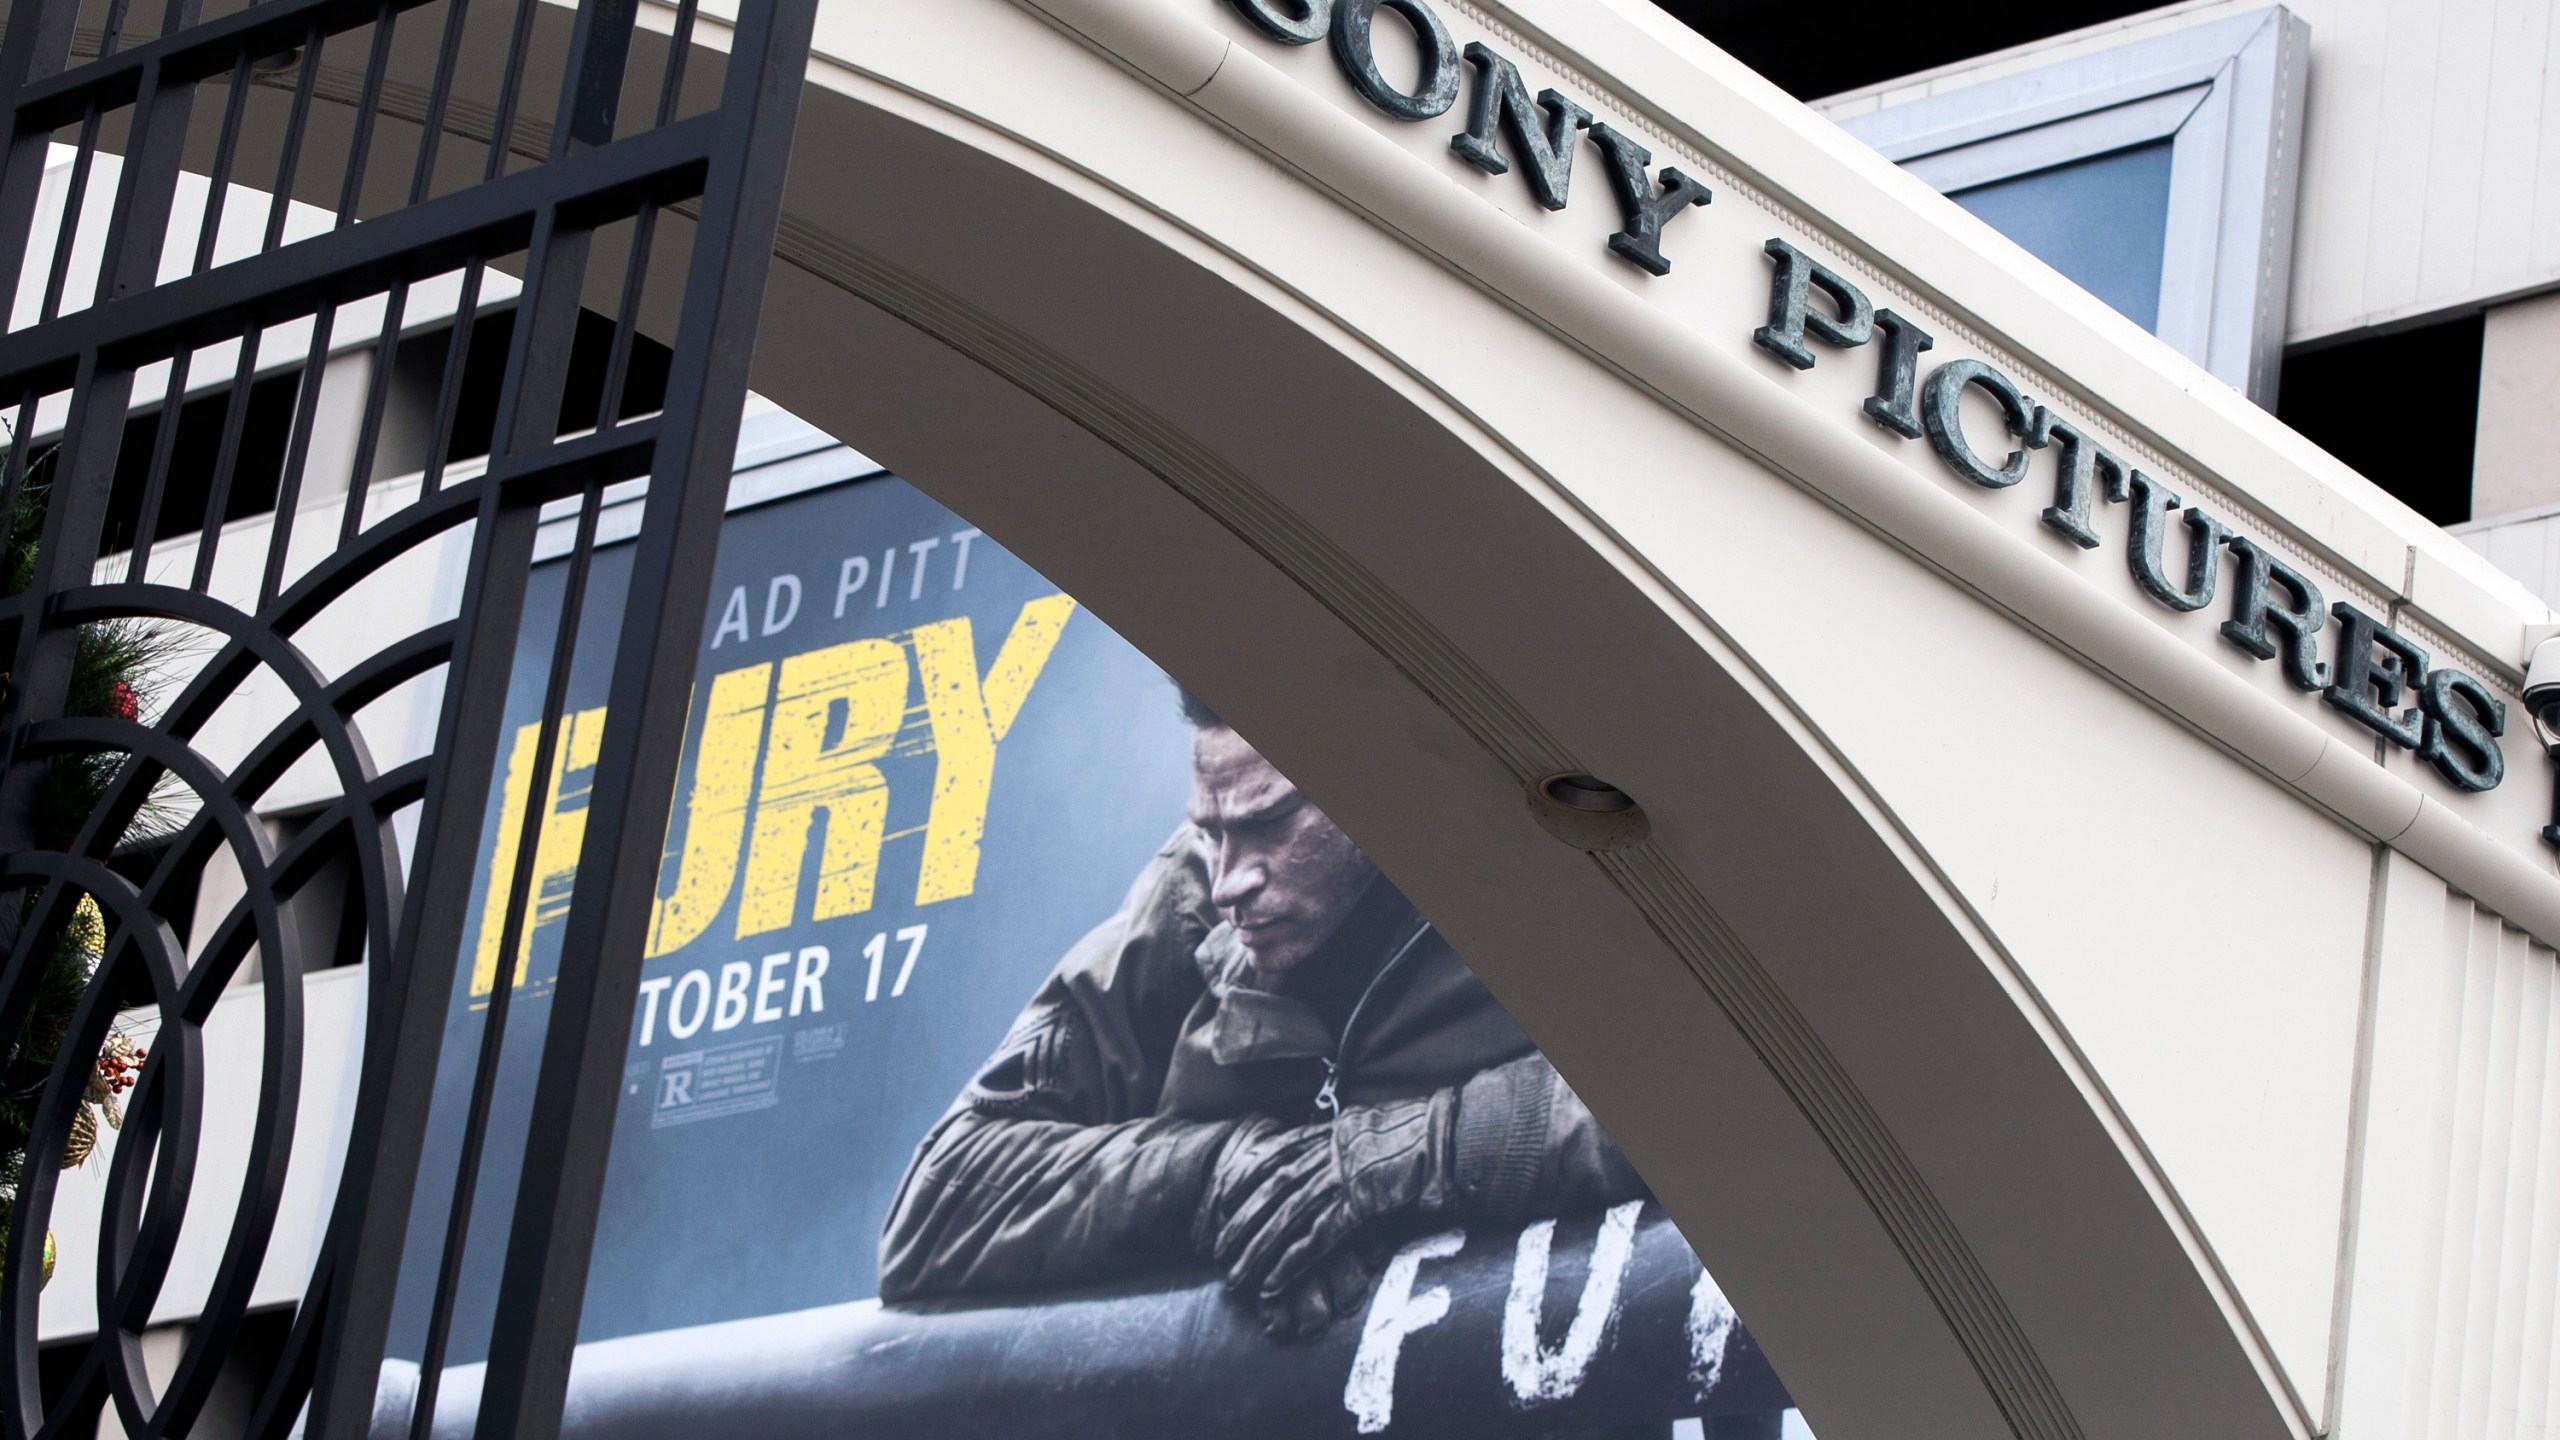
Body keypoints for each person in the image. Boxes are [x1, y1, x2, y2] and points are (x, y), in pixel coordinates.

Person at [878, 690, 1646, 1338]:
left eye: (1268, 824)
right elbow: (940, 1207)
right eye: (1211, 830)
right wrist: (1220, 1173)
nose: (1227, 883)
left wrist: (1401, 1156)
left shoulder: (1542, 869)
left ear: (1383, 785)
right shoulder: (1187, 899)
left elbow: (1714, 1093)